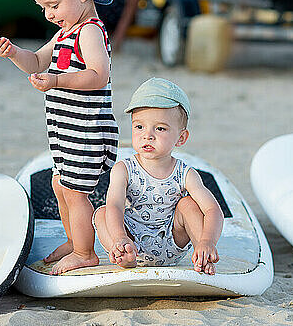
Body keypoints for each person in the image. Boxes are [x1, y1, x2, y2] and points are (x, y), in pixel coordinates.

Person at [0, 0, 119, 275]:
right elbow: (35, 61)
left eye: (53, 4)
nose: (48, 13)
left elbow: (97, 75)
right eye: (43, 7)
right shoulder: (65, 32)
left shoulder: (89, 31)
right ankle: (76, 239)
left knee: (75, 191)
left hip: (87, 130)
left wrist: (57, 81)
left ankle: (85, 252)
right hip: (66, 131)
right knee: (62, 186)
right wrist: (14, 53)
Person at [93, 78, 224, 274]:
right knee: (103, 212)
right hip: (132, 242)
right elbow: (115, 206)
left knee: (187, 205)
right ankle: (123, 255)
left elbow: (213, 209)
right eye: (139, 127)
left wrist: (207, 241)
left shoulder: (185, 173)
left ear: (181, 138)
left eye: (160, 128)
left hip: (172, 242)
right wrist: (120, 236)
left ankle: (202, 255)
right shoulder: (124, 168)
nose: (148, 135)